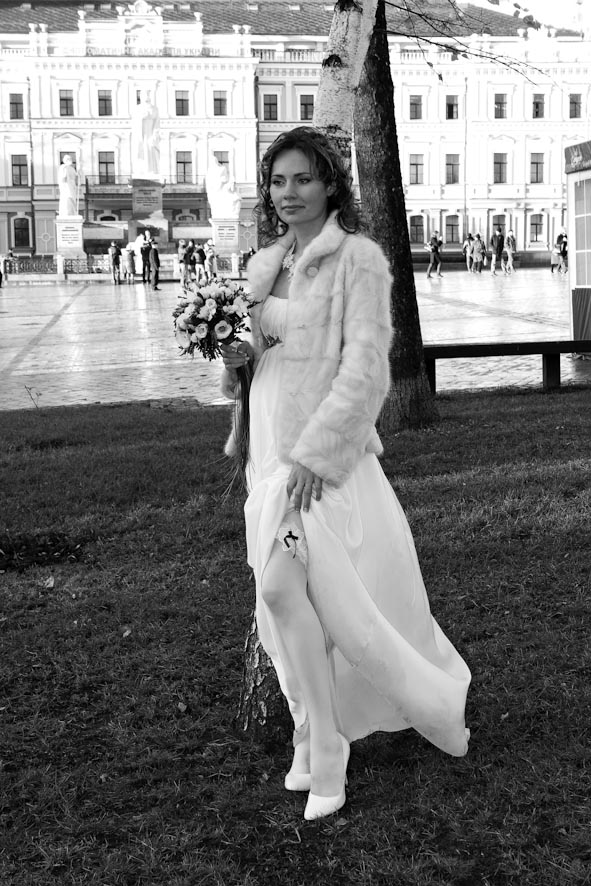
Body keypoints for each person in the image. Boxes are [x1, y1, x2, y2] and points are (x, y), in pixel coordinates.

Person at [220, 126, 470, 822]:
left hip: (323, 454)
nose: (289, 192)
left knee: (281, 585)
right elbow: (253, 360)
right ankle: (312, 730)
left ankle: (325, 743)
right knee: (284, 599)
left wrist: (318, 454)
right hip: (270, 449)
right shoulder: (264, 262)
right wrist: (234, 357)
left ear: (330, 183)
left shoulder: (358, 260)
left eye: (303, 178)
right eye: (278, 181)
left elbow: (365, 369)